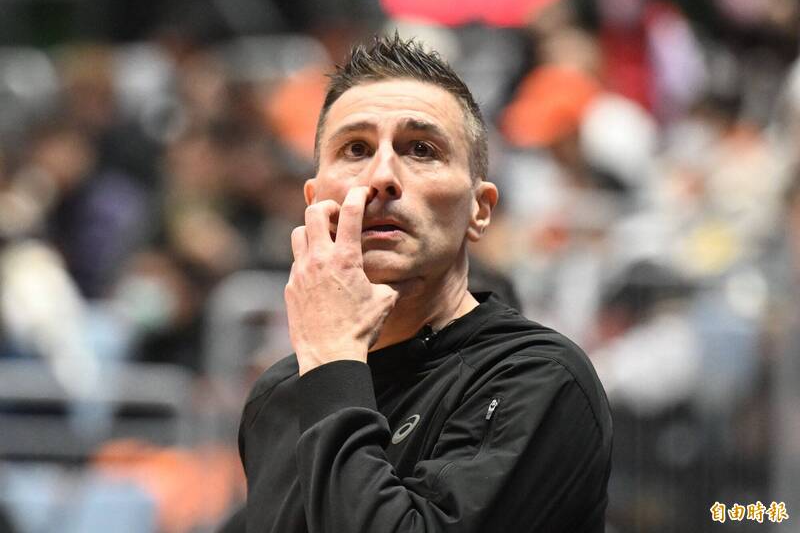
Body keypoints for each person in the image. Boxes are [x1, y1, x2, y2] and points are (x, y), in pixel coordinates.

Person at [229, 34, 612, 533]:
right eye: (356, 148)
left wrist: (332, 356)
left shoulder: (538, 378)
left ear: (479, 210)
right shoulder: (277, 396)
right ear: (314, 198)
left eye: (421, 150)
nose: (381, 176)